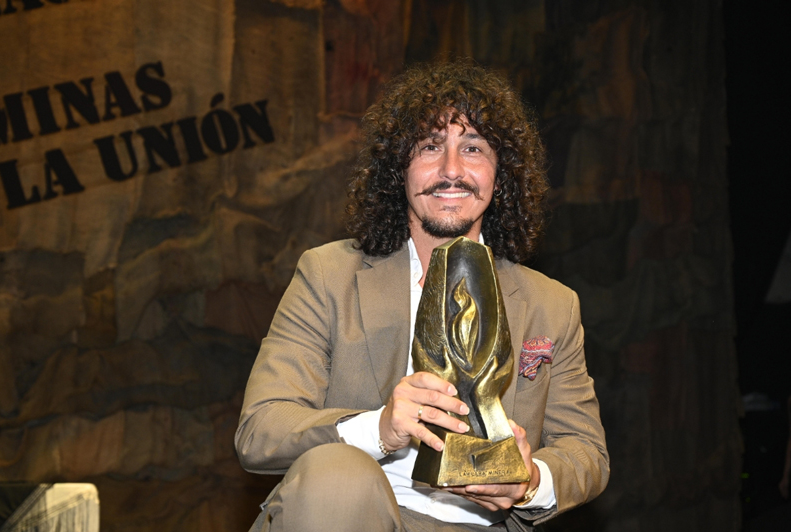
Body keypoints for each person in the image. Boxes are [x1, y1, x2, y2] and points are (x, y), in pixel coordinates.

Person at [235, 61, 609, 532]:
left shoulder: (553, 305)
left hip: (485, 525)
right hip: (350, 512)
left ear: (502, 171)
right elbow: (261, 430)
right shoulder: (329, 274)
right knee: (339, 476)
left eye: (473, 147)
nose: (451, 170)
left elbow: (586, 452)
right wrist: (381, 427)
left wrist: (531, 480)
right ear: (399, 168)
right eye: (430, 147)